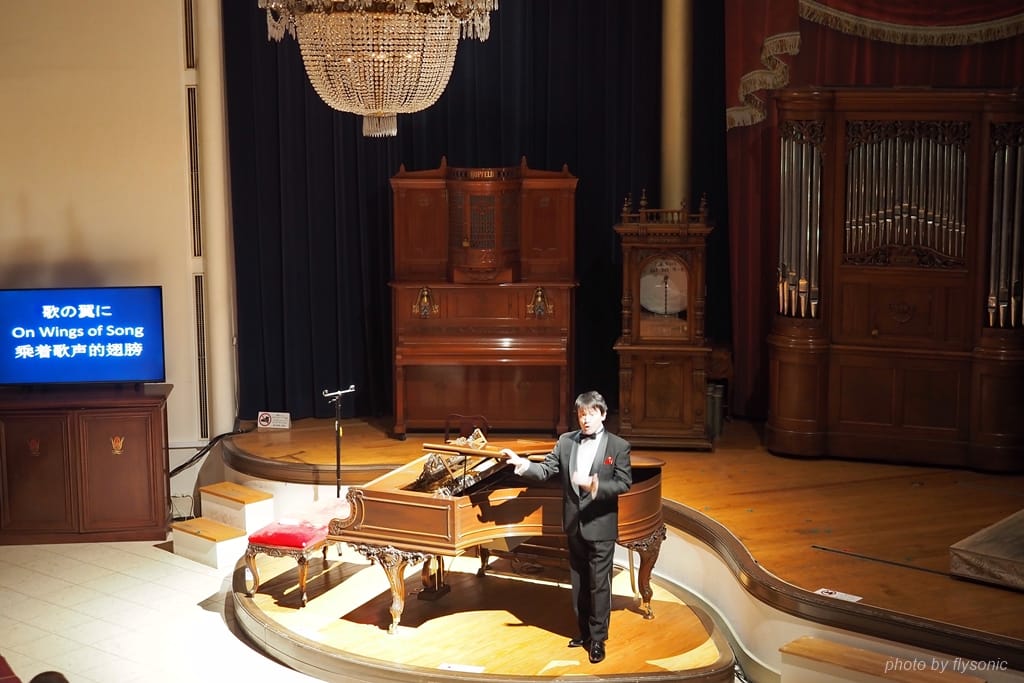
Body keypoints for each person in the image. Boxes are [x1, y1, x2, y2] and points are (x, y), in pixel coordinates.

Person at [501, 390, 632, 664]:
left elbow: (624, 483)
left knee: (599, 585)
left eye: (591, 414)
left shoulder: (618, 446)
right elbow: (546, 470)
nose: (586, 420)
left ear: (603, 415)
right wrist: (523, 464)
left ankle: (598, 639)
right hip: (574, 524)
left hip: (601, 525)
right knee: (579, 581)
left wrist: (595, 485)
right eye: (582, 415)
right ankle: (584, 633)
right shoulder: (566, 441)